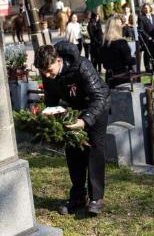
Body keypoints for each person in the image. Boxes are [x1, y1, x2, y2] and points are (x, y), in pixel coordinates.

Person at [35, 42, 110, 215]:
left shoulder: (82, 66)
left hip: (97, 106)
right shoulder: (48, 74)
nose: (46, 75)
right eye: (43, 72)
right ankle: (78, 196)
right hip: (74, 109)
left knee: (94, 149)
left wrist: (85, 121)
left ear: (58, 60)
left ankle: (96, 198)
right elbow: (51, 100)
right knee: (73, 151)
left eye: (49, 70)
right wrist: (49, 116)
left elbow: (98, 97)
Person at [102, 15, 136, 87]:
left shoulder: (104, 43)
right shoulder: (121, 42)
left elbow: (103, 62)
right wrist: (135, 60)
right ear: (118, 27)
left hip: (109, 76)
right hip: (121, 77)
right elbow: (128, 60)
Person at [139, 3, 154, 73]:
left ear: (150, 8)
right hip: (147, 39)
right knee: (147, 53)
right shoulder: (141, 18)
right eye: (145, 8)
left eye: (147, 8)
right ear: (143, 9)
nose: (146, 9)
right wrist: (148, 37)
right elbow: (141, 30)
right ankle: (147, 68)